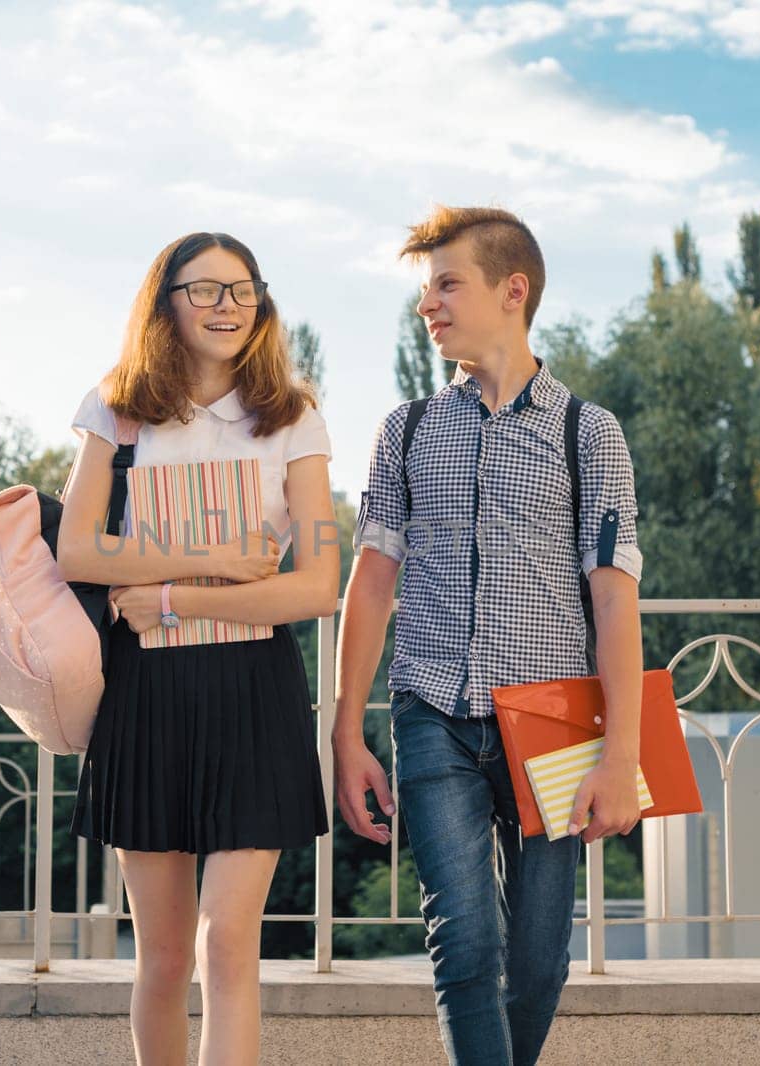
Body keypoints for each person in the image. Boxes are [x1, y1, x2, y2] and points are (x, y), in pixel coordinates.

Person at [332, 205, 646, 1065]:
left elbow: (616, 604)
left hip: (552, 722)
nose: (427, 305)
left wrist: (622, 758)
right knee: (464, 949)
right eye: (424, 290)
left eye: (446, 285)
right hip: (430, 712)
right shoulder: (406, 431)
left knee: (539, 963)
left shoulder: (590, 435)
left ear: (513, 291)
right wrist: (345, 730)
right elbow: (371, 585)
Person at [58, 231, 338, 1066]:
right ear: (164, 301)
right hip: (146, 696)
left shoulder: (294, 417)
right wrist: (212, 560)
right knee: (164, 957)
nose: (227, 306)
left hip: (255, 694)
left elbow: (319, 584)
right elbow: (77, 550)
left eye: (242, 290)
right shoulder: (116, 407)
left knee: (227, 943)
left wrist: (168, 596)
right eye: (206, 289)